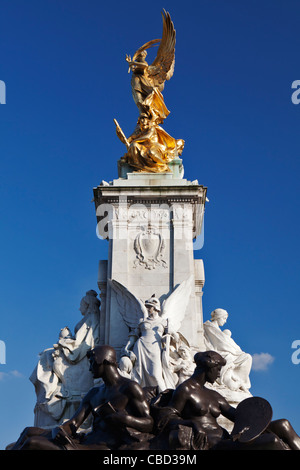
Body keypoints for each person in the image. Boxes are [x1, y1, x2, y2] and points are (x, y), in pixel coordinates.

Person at [11, 345, 154, 450]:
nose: (90, 368)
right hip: (86, 440)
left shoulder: (129, 387)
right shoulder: (94, 393)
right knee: (28, 432)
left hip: (103, 447)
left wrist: (124, 419)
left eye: (92, 362)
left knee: (33, 443)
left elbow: (149, 422)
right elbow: (73, 424)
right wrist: (58, 430)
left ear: (103, 362)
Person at [156, 350, 300, 450]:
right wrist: (192, 424)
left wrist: (258, 415)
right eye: (218, 370)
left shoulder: (214, 395)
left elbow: (237, 416)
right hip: (213, 444)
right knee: (272, 441)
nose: (219, 375)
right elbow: (167, 418)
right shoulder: (185, 389)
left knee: (283, 424)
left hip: (228, 438)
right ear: (209, 367)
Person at [203, 309, 252, 392]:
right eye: (224, 318)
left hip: (226, 351)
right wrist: (236, 352)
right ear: (218, 317)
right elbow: (222, 344)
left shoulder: (217, 329)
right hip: (219, 352)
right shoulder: (210, 327)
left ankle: (238, 380)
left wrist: (237, 350)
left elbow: (226, 343)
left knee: (247, 357)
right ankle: (234, 381)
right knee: (246, 357)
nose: (225, 321)